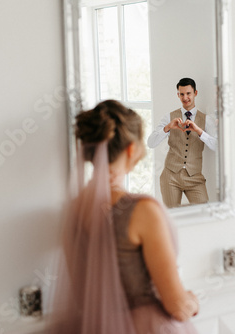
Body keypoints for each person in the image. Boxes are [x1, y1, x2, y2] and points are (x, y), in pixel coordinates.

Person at [47, 100, 199, 334]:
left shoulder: (74, 211)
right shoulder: (142, 211)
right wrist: (192, 302)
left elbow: (81, 296)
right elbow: (177, 307)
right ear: (131, 149)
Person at [148, 78, 217, 208]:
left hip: (195, 178)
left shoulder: (206, 120)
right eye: (182, 94)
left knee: (203, 213)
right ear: (178, 95)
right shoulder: (169, 117)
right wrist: (167, 127)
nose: (185, 97)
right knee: (172, 217)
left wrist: (199, 131)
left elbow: (217, 147)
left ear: (195, 93)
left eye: (188, 93)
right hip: (170, 177)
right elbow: (151, 143)